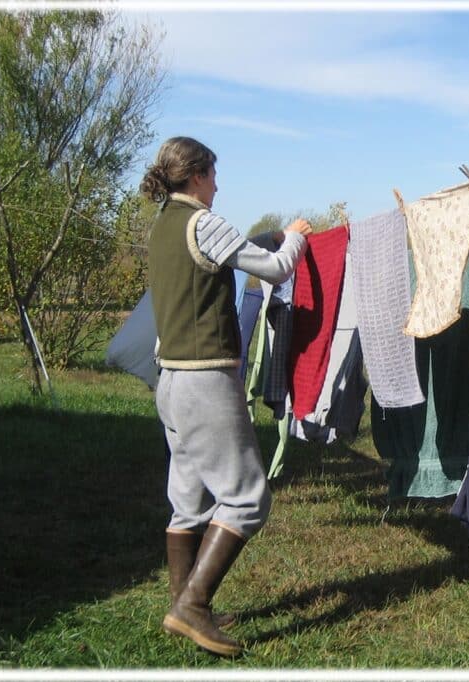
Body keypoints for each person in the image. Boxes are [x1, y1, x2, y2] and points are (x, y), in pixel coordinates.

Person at [140, 136, 312, 656]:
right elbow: (276, 269)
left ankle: (185, 604)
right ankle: (192, 606)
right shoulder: (201, 221)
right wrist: (298, 236)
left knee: (188, 501)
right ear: (196, 176)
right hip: (204, 381)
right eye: (213, 176)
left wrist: (271, 237)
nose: (217, 186)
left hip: (170, 380)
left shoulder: (163, 226)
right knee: (247, 498)